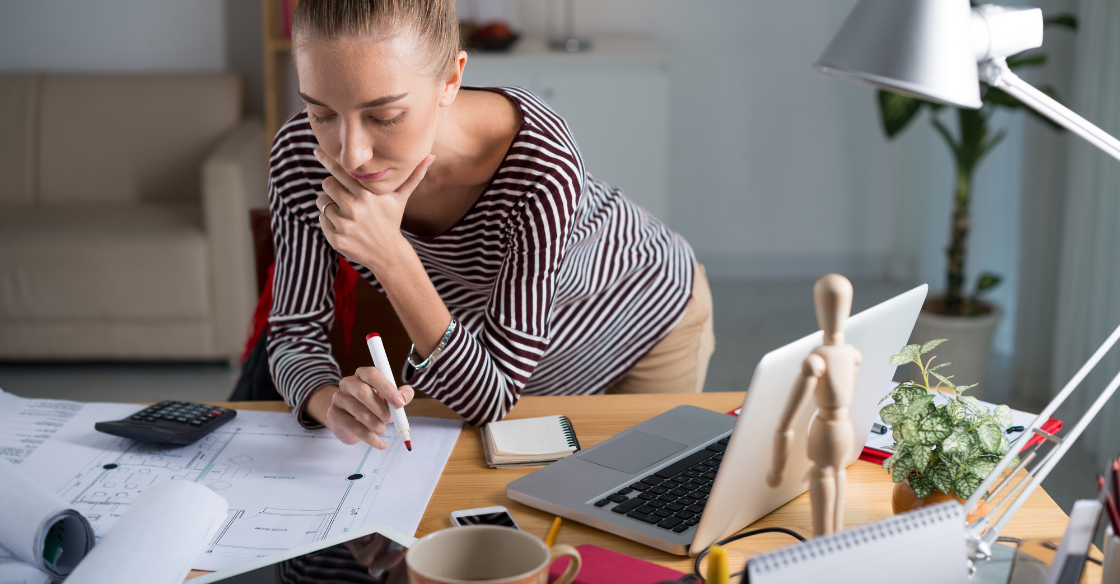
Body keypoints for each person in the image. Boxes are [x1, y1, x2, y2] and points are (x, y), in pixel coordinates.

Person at [269, 0, 714, 449]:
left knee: (639, 494)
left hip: (642, 317)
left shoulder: (540, 161)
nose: (350, 155)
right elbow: (292, 333)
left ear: (451, 79)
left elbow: (490, 398)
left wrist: (389, 254)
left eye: (384, 117)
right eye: (321, 113)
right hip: (500, 362)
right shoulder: (301, 158)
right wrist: (328, 401)